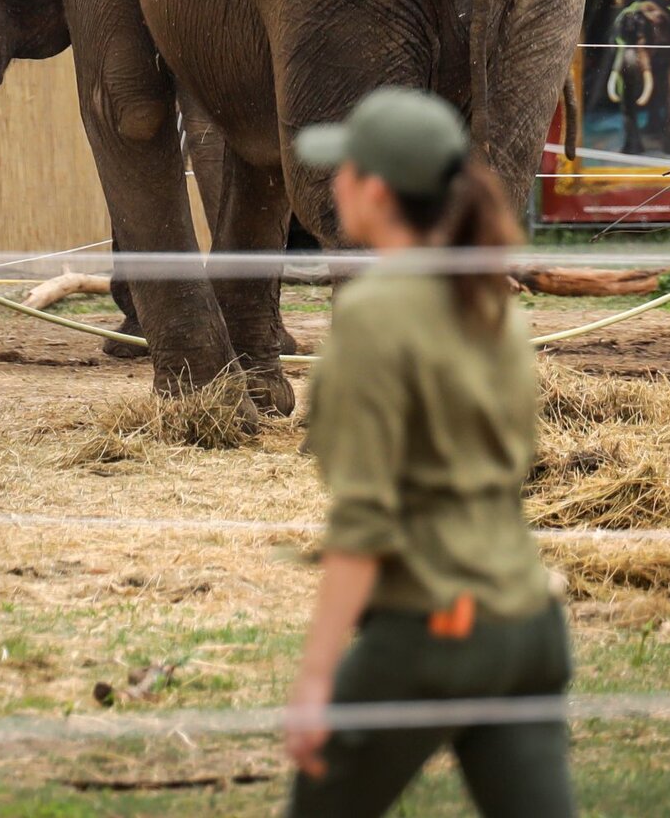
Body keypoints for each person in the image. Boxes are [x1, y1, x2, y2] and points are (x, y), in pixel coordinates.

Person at [283, 88, 574, 818]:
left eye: (343, 170)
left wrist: (317, 678)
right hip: (528, 627)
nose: (334, 183)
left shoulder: (375, 315)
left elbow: (364, 518)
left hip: (432, 631)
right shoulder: (487, 304)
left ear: (376, 191)